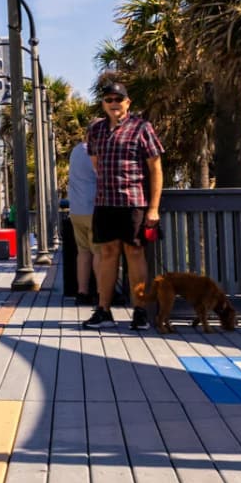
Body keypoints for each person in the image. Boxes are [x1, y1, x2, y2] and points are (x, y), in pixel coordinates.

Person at [84, 79, 163, 331]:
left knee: (135, 254)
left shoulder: (142, 128)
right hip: (105, 203)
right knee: (107, 254)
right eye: (109, 100)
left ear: (127, 102)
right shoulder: (95, 131)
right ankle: (103, 310)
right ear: (103, 104)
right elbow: (96, 164)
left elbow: (156, 169)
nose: (114, 104)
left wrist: (153, 207)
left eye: (119, 99)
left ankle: (139, 310)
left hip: (134, 202)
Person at [67, 139, 102, 307]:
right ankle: (102, 292)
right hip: (93, 208)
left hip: (76, 209)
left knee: (83, 252)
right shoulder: (96, 150)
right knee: (99, 252)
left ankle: (82, 292)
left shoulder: (75, 150)